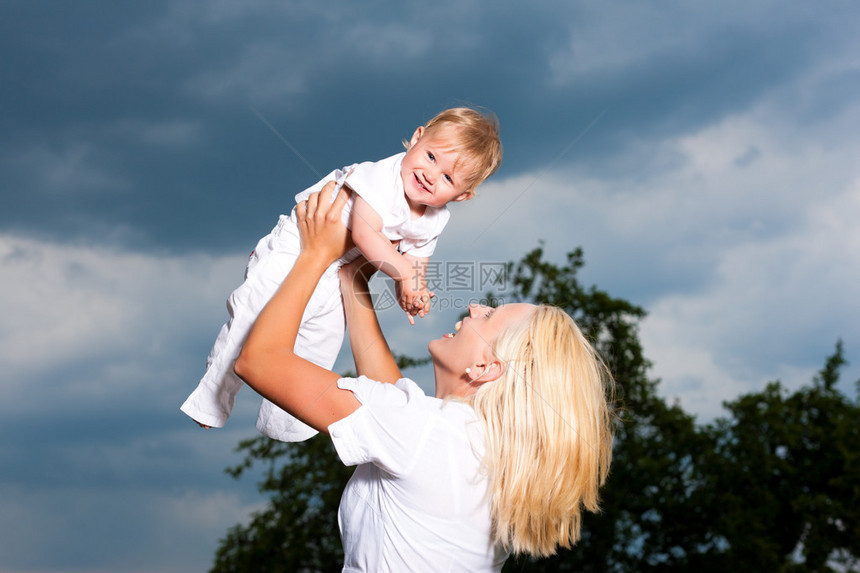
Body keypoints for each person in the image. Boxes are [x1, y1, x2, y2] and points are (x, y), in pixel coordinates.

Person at [234, 182, 616, 571]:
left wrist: (315, 255)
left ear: (486, 368)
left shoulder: (425, 431)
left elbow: (259, 361)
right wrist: (352, 279)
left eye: (489, 316)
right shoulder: (479, 448)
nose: (474, 305)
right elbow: (391, 399)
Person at [181, 107, 503, 441]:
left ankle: (285, 421)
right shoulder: (382, 176)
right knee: (252, 314)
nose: (431, 175)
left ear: (462, 195)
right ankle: (212, 399)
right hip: (299, 243)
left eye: (448, 178)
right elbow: (366, 234)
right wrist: (403, 271)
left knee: (322, 336)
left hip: (337, 267)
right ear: (417, 139)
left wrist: (413, 291)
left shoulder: (435, 218)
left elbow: (415, 262)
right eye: (431, 156)